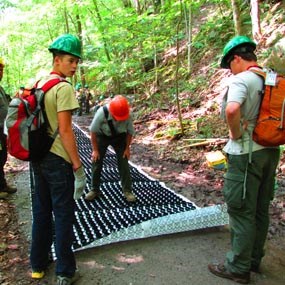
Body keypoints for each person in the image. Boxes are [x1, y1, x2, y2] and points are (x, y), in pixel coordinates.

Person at [208, 36, 280, 284]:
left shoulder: (242, 79)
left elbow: (231, 109)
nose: (230, 71)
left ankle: (238, 267)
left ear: (237, 58)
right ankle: (253, 260)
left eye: (230, 65)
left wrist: (235, 133)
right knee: (260, 209)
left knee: (241, 210)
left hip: (246, 154)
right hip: (271, 152)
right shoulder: (272, 79)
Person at [29, 34, 86, 285]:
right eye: (70, 60)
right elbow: (65, 130)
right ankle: (65, 271)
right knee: (63, 214)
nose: (74, 66)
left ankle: (38, 265)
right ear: (57, 59)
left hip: (37, 158)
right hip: (57, 160)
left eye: (77, 62)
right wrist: (77, 165)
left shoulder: (38, 84)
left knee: (41, 212)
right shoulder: (63, 88)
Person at [85, 95, 136, 203]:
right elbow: (93, 132)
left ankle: (127, 191)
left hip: (119, 138)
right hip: (102, 136)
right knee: (96, 160)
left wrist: (127, 148)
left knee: (124, 162)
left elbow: (130, 133)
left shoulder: (128, 114)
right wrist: (95, 150)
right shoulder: (101, 113)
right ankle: (94, 189)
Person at [0, 57, 17, 199]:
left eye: (2, 69)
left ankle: (2, 183)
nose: (0, 72)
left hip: (2, 130)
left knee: (3, 156)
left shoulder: (0, 88)